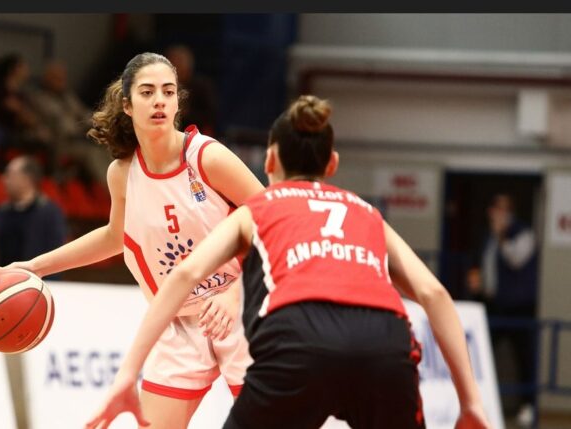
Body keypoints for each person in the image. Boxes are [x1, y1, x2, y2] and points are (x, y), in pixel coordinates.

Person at [87, 95, 491, 429]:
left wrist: (128, 373)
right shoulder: (365, 212)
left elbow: (187, 273)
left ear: (269, 161)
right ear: (332, 164)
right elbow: (434, 293)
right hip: (384, 346)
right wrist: (471, 402)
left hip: (301, 342)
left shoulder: (260, 208)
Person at [0, 52, 264, 428]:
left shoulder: (206, 156)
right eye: (147, 92)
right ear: (127, 104)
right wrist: (34, 267)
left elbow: (272, 217)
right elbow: (115, 236)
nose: (159, 101)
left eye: (168, 92)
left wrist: (234, 291)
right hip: (177, 322)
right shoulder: (122, 174)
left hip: (238, 309)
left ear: (177, 103)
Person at [467, 193, 539, 428]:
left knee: (523, 356)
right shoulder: (486, 235)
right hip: (493, 304)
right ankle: (475, 402)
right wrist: (477, 283)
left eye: (503, 209)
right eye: (495, 208)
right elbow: (483, 263)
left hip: (518, 308)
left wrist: (501, 235)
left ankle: (528, 405)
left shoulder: (523, 233)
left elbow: (515, 260)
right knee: (480, 353)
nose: (498, 214)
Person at [27, 60, 112, 182]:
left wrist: (100, 121)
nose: (62, 81)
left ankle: (121, 184)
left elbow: (83, 114)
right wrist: (81, 128)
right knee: (93, 153)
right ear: (47, 79)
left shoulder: (67, 96)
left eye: (63, 78)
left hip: (79, 139)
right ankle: (109, 187)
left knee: (108, 146)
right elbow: (60, 123)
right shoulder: (40, 98)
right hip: (61, 142)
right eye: (57, 78)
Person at [0, 156, 67, 280]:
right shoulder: (2, 212)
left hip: (38, 284)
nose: (4, 179)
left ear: (26, 179)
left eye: (10, 175)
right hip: (4, 283)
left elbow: (55, 257)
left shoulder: (49, 213)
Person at [165, 45, 218, 136]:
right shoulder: (160, 87)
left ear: (188, 66)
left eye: (179, 63)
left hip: (195, 135)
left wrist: (186, 112)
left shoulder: (201, 87)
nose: (175, 68)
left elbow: (211, 116)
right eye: (172, 64)